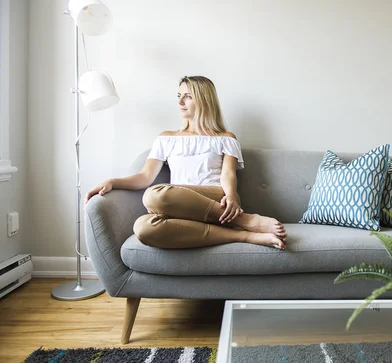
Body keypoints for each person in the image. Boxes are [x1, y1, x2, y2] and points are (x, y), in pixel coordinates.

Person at [84, 76, 287, 250]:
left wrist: (232, 197)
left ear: (204, 100)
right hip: (181, 207)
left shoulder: (225, 138)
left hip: (217, 199)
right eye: (179, 96)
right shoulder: (166, 138)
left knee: (154, 196)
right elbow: (144, 177)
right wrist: (111, 181)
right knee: (143, 227)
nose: (180, 102)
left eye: (187, 96)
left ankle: (242, 218)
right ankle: (245, 233)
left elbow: (228, 174)